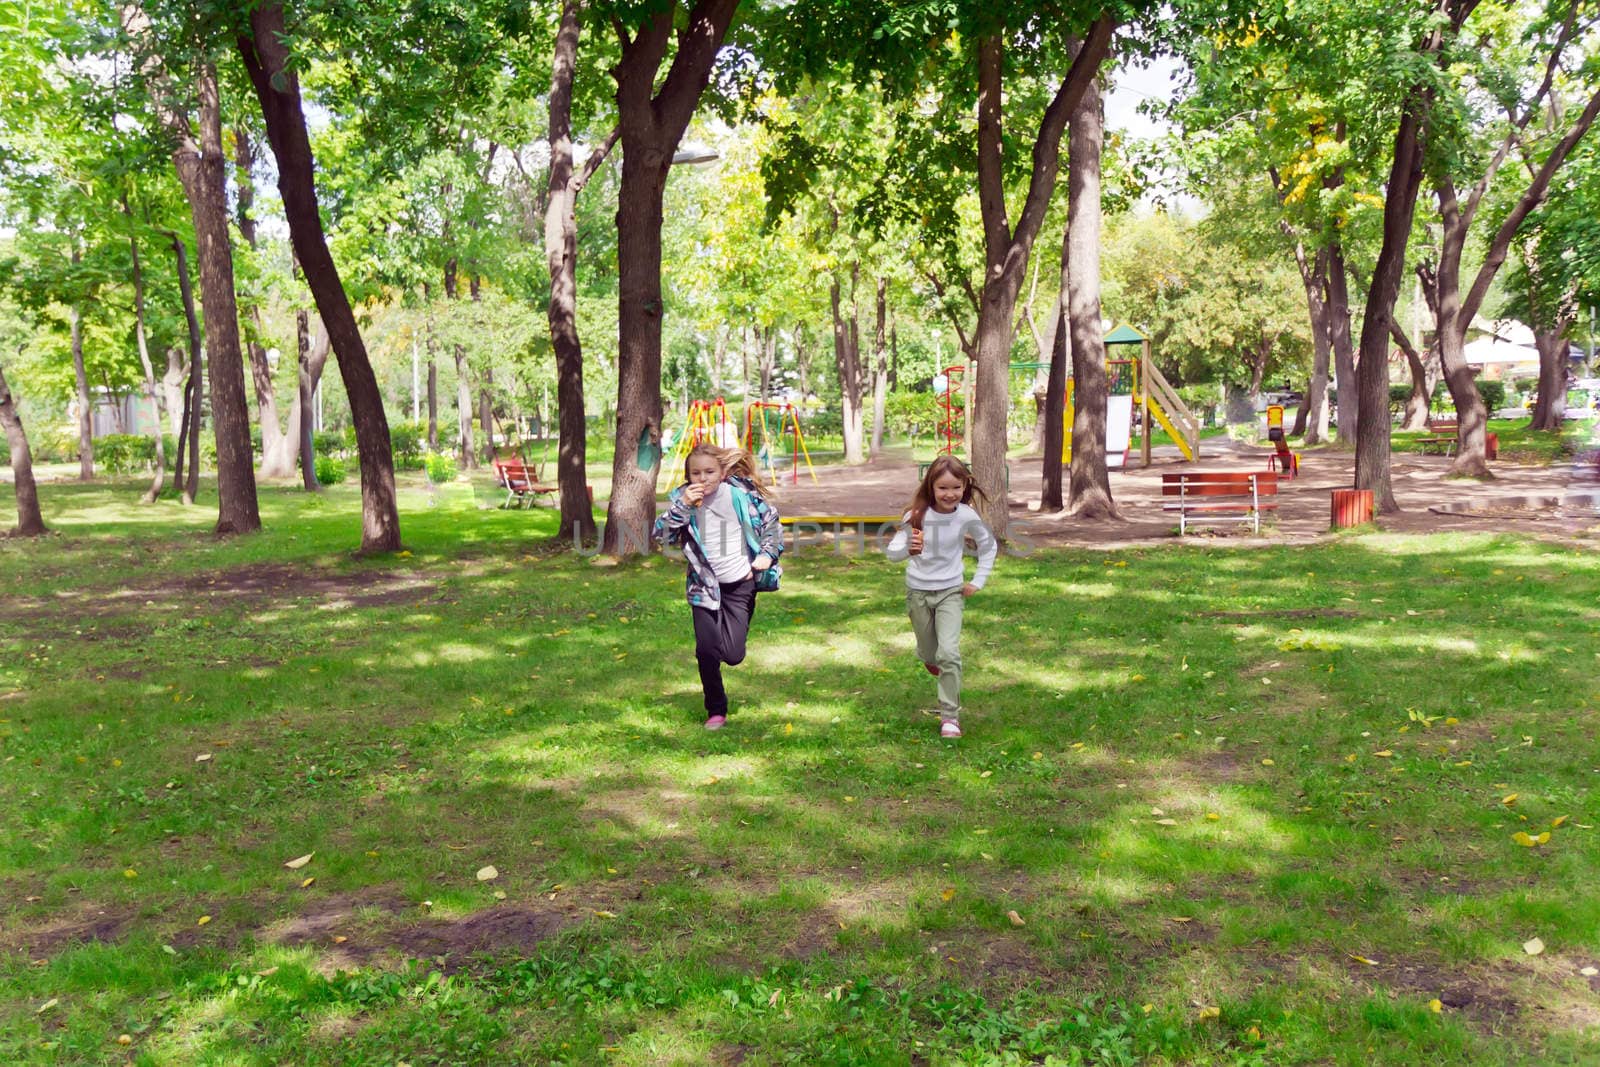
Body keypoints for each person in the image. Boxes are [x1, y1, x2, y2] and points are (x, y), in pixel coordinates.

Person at [653, 443, 782, 730]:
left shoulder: (740, 495)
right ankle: (716, 710)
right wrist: (683, 506)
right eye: (695, 473)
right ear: (688, 476)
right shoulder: (682, 500)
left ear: (722, 472)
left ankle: (721, 645)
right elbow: (660, 534)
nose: (703, 478)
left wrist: (766, 555)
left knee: (733, 655)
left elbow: (771, 524)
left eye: (709, 472)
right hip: (704, 587)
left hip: (740, 584)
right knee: (706, 650)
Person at [884, 456, 998, 739]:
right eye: (943, 488)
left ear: (964, 486)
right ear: (931, 487)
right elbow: (891, 553)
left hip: (950, 591)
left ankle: (950, 717)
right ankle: (928, 655)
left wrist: (978, 581)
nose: (950, 494)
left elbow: (988, 547)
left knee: (949, 653)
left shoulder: (966, 516)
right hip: (918, 592)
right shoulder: (917, 516)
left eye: (956, 487)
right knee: (929, 652)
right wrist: (906, 549)